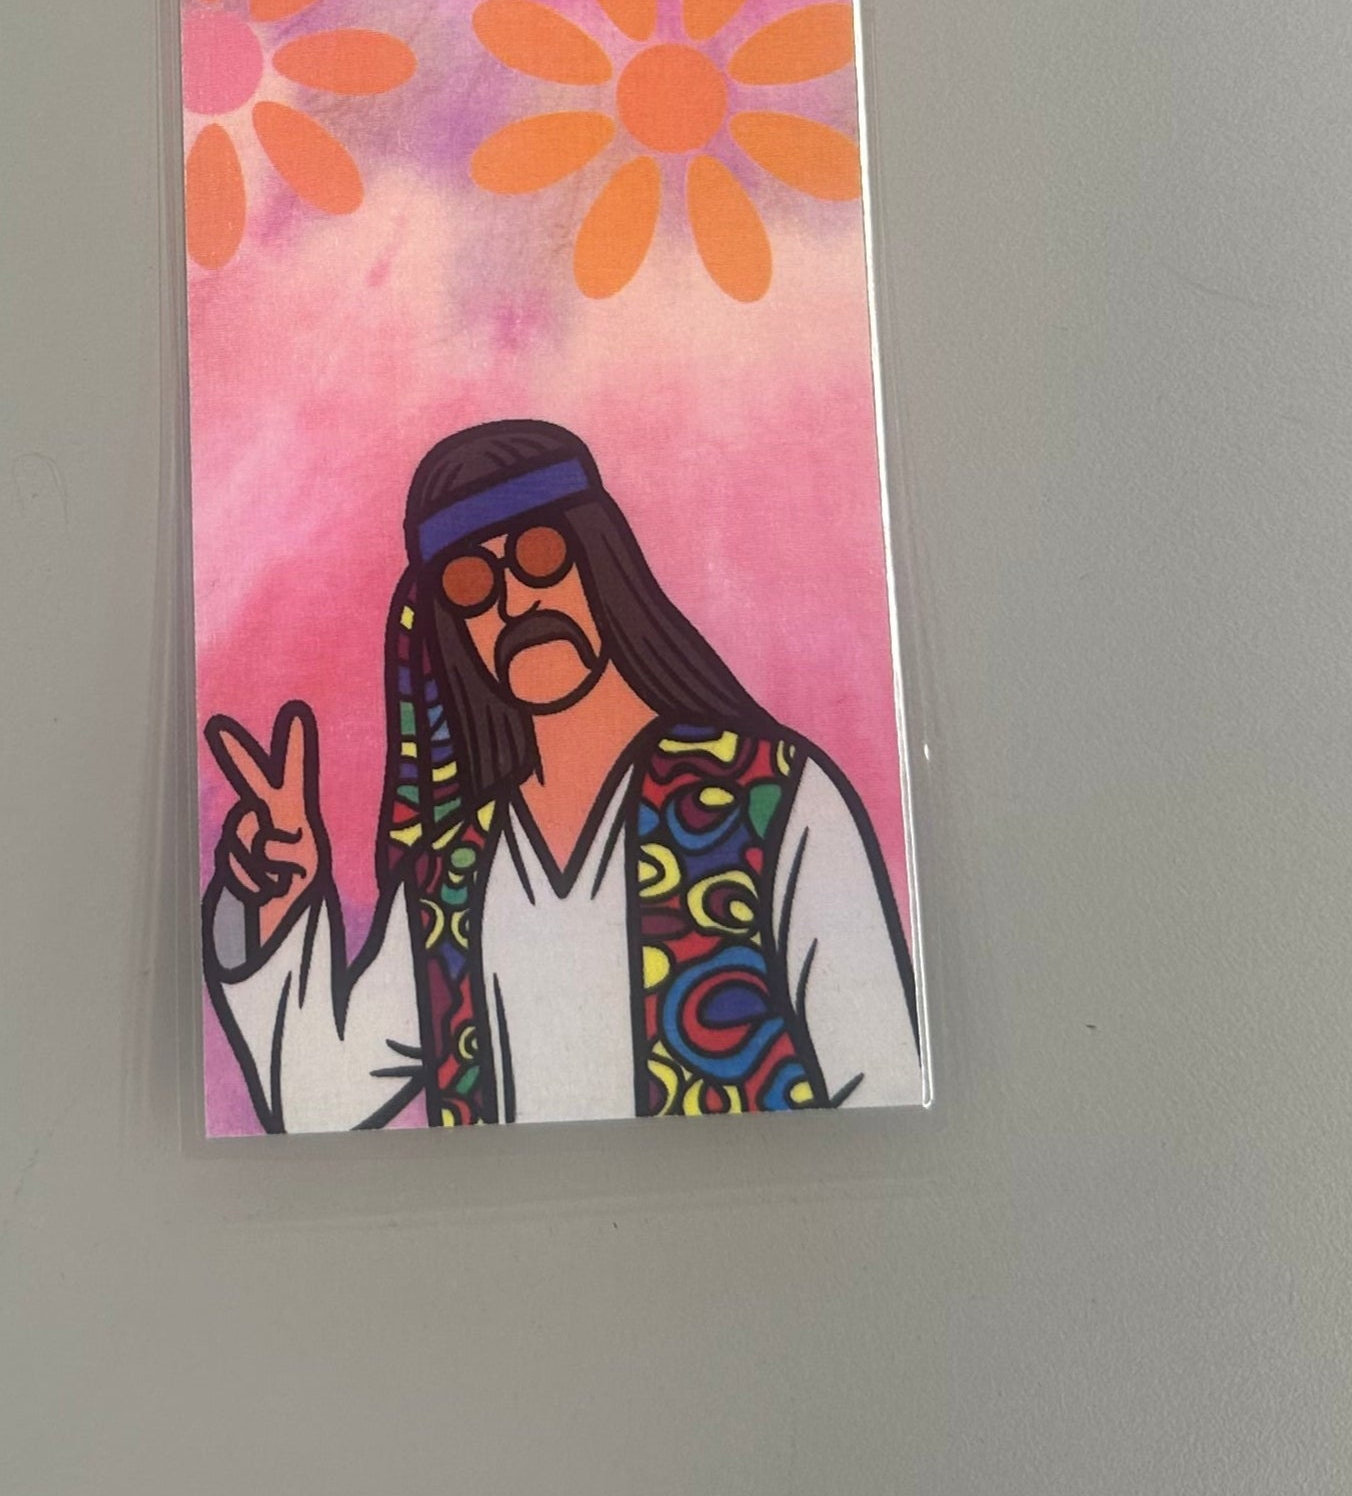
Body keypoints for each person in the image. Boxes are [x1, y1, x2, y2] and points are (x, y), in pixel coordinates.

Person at [204, 419, 922, 1128]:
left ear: (602, 560)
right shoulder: (447, 875)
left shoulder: (774, 799)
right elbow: (321, 1093)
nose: (515, 602)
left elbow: (878, 1080)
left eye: (539, 554)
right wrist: (276, 901)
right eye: (471, 582)